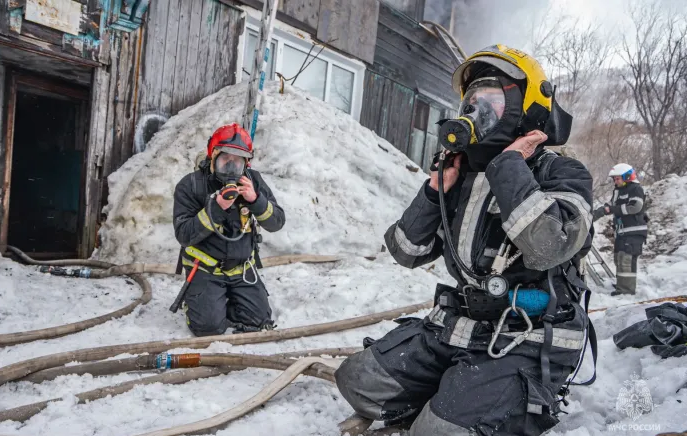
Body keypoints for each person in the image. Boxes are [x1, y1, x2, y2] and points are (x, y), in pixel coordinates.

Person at [335, 45, 595, 436]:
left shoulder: (562, 173)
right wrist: (435, 190)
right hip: (459, 327)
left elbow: (550, 246)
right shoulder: (463, 176)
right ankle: (455, 394)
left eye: (492, 100)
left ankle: (483, 402)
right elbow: (406, 251)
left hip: (526, 336)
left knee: (438, 433)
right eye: (472, 100)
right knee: (357, 380)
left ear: (527, 109)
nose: (477, 110)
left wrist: (509, 166)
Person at [172, 123, 285, 336]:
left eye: (238, 160)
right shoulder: (191, 185)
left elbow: (277, 222)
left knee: (259, 322)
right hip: (205, 270)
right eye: (225, 159)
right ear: (213, 156)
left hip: (242, 270)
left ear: (246, 163)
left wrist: (256, 200)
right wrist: (216, 209)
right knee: (208, 328)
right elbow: (184, 235)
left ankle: (224, 301)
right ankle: (198, 303)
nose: (231, 166)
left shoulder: (253, 182)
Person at [595, 164, 647, 296]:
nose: (615, 181)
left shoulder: (635, 189)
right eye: (614, 179)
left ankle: (626, 290)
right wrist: (597, 212)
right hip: (622, 232)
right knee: (618, 258)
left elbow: (635, 207)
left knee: (626, 260)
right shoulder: (618, 191)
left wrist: (613, 209)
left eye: (617, 179)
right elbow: (611, 205)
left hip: (634, 231)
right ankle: (622, 284)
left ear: (627, 177)